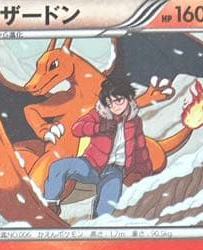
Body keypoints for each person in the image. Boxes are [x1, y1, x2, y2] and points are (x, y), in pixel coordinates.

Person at [44, 74, 153, 218]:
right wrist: (99, 128)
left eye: (119, 100)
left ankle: (97, 224)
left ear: (129, 98)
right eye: (110, 102)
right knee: (58, 167)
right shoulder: (100, 114)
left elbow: (140, 148)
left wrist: (146, 174)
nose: (114, 106)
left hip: (115, 171)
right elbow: (77, 128)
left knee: (106, 208)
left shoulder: (134, 121)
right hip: (91, 164)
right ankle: (51, 205)